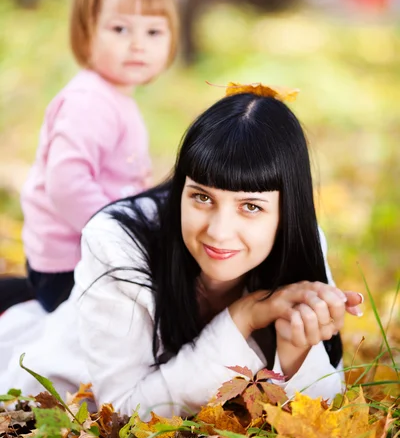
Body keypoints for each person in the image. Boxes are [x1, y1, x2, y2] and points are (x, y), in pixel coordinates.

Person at [0, 88, 363, 420]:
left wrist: (297, 350)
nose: (219, 231)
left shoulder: (300, 241)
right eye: (202, 197)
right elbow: (124, 409)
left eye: (250, 207)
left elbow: (323, 409)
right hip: (44, 374)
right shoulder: (118, 239)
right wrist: (242, 317)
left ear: (288, 211)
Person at [0, 0, 179, 314]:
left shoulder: (114, 96)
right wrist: (123, 234)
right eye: (120, 29)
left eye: (153, 32)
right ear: (86, 32)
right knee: (155, 311)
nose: (138, 44)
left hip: (91, 253)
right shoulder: (89, 102)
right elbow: (66, 184)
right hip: (71, 266)